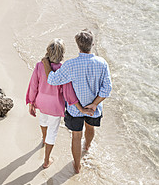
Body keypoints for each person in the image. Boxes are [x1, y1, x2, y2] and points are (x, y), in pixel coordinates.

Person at [42, 29, 112, 173]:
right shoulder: (102, 63)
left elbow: (53, 80)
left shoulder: (70, 64)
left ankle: (77, 165)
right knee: (90, 128)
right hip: (94, 108)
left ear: (77, 45)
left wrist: (46, 64)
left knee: (76, 136)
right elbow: (107, 89)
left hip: (75, 109)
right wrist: (94, 104)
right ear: (92, 44)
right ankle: (87, 145)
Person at [26, 38, 93, 169]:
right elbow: (68, 93)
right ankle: (46, 160)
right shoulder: (63, 69)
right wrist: (80, 108)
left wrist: (31, 101)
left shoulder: (40, 65)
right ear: (62, 53)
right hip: (55, 106)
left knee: (43, 120)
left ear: (48, 51)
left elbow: (34, 85)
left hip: (41, 101)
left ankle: (43, 139)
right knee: (53, 132)